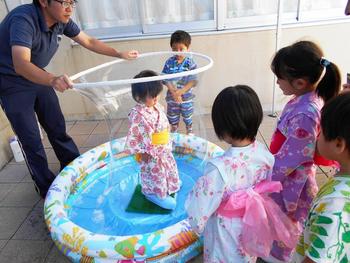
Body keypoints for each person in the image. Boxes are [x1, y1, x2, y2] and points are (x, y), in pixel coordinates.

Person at [0, 0, 138, 199]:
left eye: (72, 2)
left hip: (38, 75)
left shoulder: (61, 20)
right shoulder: (24, 19)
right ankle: (46, 189)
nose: (69, 8)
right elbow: (21, 64)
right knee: (31, 139)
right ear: (43, 2)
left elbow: (88, 41)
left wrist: (119, 53)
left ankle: (73, 169)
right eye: (63, 2)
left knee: (56, 126)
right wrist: (53, 79)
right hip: (11, 82)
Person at [185, 85, 299, 262]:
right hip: (252, 223)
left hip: (225, 231)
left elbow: (198, 210)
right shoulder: (265, 155)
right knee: (246, 255)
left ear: (223, 129)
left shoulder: (218, 169)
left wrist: (196, 223)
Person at [267, 40, 341, 262]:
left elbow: (293, 157)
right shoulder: (305, 99)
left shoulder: (305, 113)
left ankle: (282, 256)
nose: (277, 82)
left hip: (292, 182)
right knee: (287, 219)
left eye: (279, 77)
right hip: (290, 173)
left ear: (299, 82)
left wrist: (266, 175)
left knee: (287, 220)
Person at [293, 92, 350, 263]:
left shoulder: (336, 205)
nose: (317, 137)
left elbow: (318, 258)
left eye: (321, 131)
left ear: (339, 144)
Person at [124, 70, 180, 210]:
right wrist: (143, 152)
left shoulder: (156, 106)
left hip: (163, 148)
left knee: (169, 167)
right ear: (139, 97)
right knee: (156, 173)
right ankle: (154, 193)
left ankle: (171, 183)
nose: (155, 98)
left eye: (157, 94)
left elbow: (163, 123)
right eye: (151, 96)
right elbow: (136, 135)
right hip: (151, 153)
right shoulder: (138, 114)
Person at [162, 30, 197, 135]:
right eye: (174, 49)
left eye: (181, 49)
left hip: (187, 97)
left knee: (187, 115)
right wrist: (174, 92)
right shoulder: (169, 62)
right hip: (172, 97)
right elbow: (165, 78)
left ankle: (189, 130)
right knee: (172, 116)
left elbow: (193, 80)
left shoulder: (190, 63)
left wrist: (180, 92)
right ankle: (174, 131)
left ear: (188, 48)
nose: (178, 52)